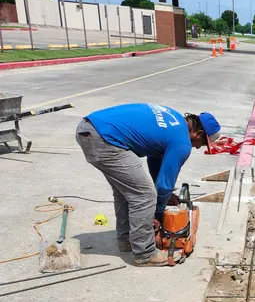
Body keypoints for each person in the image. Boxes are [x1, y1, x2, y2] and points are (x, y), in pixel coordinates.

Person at [76, 104, 221, 267]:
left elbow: (155, 159)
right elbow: (165, 185)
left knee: (127, 191)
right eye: (201, 143)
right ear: (199, 133)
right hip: (105, 138)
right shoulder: (182, 142)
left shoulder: (174, 119)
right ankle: (144, 253)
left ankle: (127, 241)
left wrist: (164, 197)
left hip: (91, 129)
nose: (198, 147)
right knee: (144, 195)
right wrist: (157, 213)